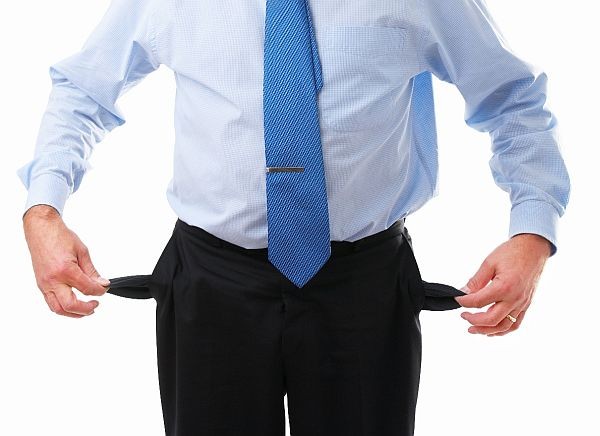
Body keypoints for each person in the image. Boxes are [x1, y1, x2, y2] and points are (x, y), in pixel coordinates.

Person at [17, 0, 571, 435]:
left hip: (364, 288)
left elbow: (511, 99)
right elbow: (85, 90)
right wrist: (44, 209)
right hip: (212, 286)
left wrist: (532, 230)